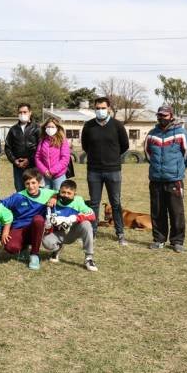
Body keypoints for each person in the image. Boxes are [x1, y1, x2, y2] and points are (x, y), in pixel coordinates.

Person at [144, 105, 187, 253]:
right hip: (156, 180)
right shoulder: (152, 134)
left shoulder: (181, 134)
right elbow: (148, 154)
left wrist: (179, 169)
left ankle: (177, 241)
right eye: (159, 115)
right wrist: (157, 168)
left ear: (171, 116)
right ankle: (159, 240)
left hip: (174, 180)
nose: (162, 118)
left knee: (176, 211)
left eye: (165, 115)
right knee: (157, 211)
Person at [80, 96, 129, 245]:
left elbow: (124, 145)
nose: (100, 110)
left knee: (115, 202)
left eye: (103, 108)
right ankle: (92, 232)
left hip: (113, 170)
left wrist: (112, 157)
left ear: (109, 108)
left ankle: (120, 233)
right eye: (97, 108)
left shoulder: (117, 125)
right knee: (94, 203)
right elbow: (85, 146)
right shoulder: (88, 126)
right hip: (94, 171)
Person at [0, 168, 56, 270]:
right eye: (27, 183)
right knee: (10, 247)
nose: (31, 186)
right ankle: (23, 248)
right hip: (19, 228)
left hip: (35, 228)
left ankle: (34, 255)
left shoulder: (47, 193)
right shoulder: (18, 196)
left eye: (34, 183)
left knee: (39, 220)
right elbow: (1, 204)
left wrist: (55, 197)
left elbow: (61, 193)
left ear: (39, 183)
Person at [42, 180, 98, 271]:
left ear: (74, 194)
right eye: (63, 192)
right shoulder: (52, 198)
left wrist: (73, 218)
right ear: (59, 191)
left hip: (72, 232)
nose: (66, 195)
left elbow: (92, 215)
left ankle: (89, 258)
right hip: (57, 233)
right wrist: (53, 196)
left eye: (69, 193)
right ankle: (57, 249)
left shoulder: (78, 201)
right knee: (46, 241)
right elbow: (41, 191)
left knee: (86, 224)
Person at [5, 103, 40, 192]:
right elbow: (7, 147)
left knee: (33, 190)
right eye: (20, 112)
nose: (22, 114)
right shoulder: (13, 129)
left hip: (33, 165)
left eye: (25, 112)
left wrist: (29, 160)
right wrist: (14, 160)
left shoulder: (37, 128)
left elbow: (40, 147)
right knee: (20, 189)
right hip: (18, 167)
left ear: (30, 113)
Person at [35, 117, 71, 190]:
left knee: (59, 196)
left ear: (57, 128)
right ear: (45, 128)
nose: (50, 128)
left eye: (52, 127)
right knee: (45, 197)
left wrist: (52, 171)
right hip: (45, 176)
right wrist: (45, 171)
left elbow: (65, 158)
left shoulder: (62, 141)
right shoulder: (42, 140)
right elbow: (37, 157)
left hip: (59, 175)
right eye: (48, 127)